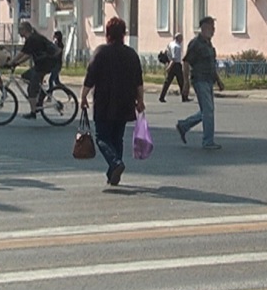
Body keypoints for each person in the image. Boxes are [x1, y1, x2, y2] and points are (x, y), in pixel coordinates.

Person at [80, 17, 144, 186]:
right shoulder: (131, 54)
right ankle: (113, 173)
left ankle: (115, 163)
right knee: (117, 138)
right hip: (125, 102)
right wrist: (140, 100)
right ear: (123, 34)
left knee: (101, 137)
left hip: (104, 102)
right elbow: (138, 81)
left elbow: (90, 77)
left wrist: (83, 96)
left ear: (108, 34)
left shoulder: (101, 52)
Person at [176, 16, 225, 150]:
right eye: (211, 27)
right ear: (204, 28)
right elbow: (186, 62)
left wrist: (218, 81)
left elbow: (211, 65)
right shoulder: (196, 44)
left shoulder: (208, 44)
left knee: (206, 111)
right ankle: (208, 141)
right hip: (199, 80)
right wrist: (186, 83)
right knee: (208, 111)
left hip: (209, 80)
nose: (214, 30)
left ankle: (184, 125)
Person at [8, 21, 60, 118]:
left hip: (45, 65)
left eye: (20, 29)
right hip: (43, 64)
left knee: (31, 90)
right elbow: (26, 54)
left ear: (25, 30)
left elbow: (23, 54)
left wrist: (12, 62)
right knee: (25, 76)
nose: (19, 31)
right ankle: (39, 93)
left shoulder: (32, 39)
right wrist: (16, 62)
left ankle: (33, 113)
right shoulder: (32, 38)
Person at [158, 33, 189, 102]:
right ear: (178, 38)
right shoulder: (177, 47)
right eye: (181, 38)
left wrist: (168, 64)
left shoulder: (171, 44)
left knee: (167, 82)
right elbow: (174, 58)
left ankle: (161, 97)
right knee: (181, 82)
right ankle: (184, 97)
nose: (182, 40)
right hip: (176, 65)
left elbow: (167, 52)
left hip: (171, 63)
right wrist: (169, 67)